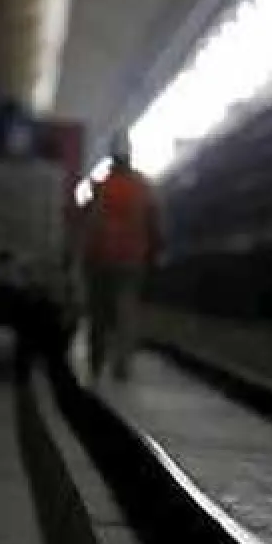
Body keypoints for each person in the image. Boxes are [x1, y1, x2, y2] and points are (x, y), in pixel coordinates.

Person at [82, 132, 160, 381]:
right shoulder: (143, 186)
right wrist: (154, 251)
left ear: (111, 158)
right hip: (131, 259)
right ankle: (122, 364)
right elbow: (154, 222)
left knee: (99, 312)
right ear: (130, 156)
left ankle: (96, 360)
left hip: (101, 259)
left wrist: (85, 255)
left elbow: (90, 222)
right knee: (126, 310)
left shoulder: (100, 186)